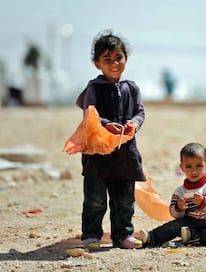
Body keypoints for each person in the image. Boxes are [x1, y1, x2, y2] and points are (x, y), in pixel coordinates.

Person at [75, 30, 146, 249]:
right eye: (107, 59)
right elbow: (90, 113)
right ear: (97, 63)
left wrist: (133, 123)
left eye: (119, 58)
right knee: (95, 199)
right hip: (97, 154)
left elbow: (140, 112)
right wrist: (106, 124)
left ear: (126, 59)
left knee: (124, 200)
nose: (114, 63)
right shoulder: (94, 88)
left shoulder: (132, 87)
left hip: (125, 154)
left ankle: (123, 235)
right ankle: (91, 234)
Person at [138, 143, 206, 247]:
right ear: (182, 168)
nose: (194, 171)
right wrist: (179, 207)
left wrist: (203, 202)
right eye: (188, 167)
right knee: (173, 225)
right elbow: (174, 214)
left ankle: (192, 236)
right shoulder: (180, 191)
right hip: (189, 223)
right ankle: (151, 237)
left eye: (199, 166)